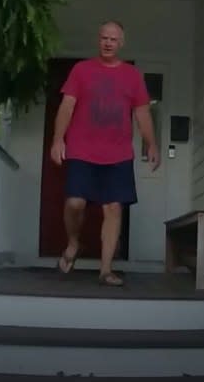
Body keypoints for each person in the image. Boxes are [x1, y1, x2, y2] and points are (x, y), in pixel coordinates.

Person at [50, 21, 160, 286]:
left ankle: (106, 269)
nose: (108, 42)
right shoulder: (82, 70)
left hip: (118, 153)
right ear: (98, 40)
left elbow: (142, 112)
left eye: (113, 39)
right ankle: (74, 243)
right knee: (75, 202)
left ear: (121, 43)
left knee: (113, 208)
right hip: (82, 149)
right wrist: (57, 139)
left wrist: (151, 143)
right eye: (104, 38)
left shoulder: (132, 75)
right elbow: (67, 105)